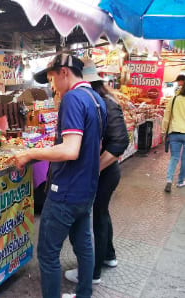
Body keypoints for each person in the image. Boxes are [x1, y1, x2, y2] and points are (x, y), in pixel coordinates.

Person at [15, 54, 107, 298]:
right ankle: (83, 295)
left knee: (47, 254)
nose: (51, 86)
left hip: (65, 192)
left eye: (52, 78)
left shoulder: (73, 99)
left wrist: (29, 153)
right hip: (87, 189)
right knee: (84, 245)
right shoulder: (97, 99)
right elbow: (91, 147)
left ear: (64, 72)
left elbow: (70, 149)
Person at [63, 59, 129, 285]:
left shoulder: (103, 102)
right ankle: (108, 256)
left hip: (106, 172)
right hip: (106, 171)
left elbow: (120, 142)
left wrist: (94, 169)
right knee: (102, 213)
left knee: (95, 219)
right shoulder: (100, 99)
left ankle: (92, 273)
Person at [162, 83, 185, 192]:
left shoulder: (174, 99)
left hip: (174, 132)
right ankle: (180, 181)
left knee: (174, 157)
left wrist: (163, 131)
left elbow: (166, 116)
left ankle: (169, 180)